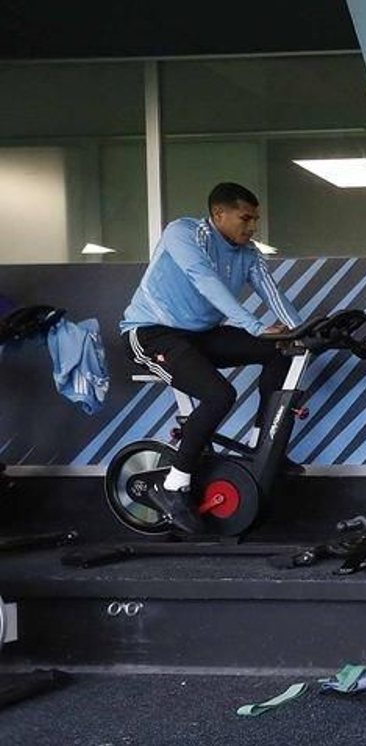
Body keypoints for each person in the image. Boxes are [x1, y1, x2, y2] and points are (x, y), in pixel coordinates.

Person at [120, 182, 301, 534]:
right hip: (152, 332)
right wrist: (252, 324)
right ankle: (173, 486)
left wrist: (303, 333)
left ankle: (260, 445)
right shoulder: (184, 233)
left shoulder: (248, 253)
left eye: (255, 220)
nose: (252, 227)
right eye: (245, 218)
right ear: (219, 214)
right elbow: (202, 278)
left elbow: (273, 294)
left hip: (199, 336)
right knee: (219, 395)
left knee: (281, 350)